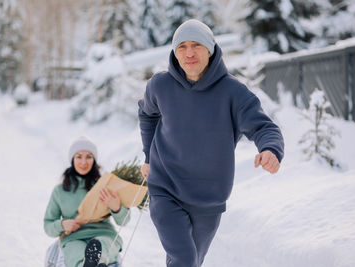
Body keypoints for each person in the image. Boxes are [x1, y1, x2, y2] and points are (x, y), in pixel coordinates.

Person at [138, 19, 284, 267]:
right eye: (182, 46)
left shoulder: (233, 92)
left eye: (196, 45)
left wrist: (270, 149)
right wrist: (149, 157)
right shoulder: (160, 85)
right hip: (165, 188)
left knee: (191, 260)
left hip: (209, 199)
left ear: (210, 49)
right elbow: (147, 113)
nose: (189, 53)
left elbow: (264, 127)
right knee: (184, 258)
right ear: (175, 52)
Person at [44, 136, 130, 267]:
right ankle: (88, 264)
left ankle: (96, 262)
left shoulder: (105, 185)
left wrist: (116, 207)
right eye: (79, 157)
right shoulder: (60, 191)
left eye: (89, 157)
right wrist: (62, 225)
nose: (84, 162)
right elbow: (48, 225)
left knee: (101, 246)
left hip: (104, 234)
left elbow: (125, 220)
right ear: (72, 159)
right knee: (75, 253)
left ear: (94, 160)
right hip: (74, 237)